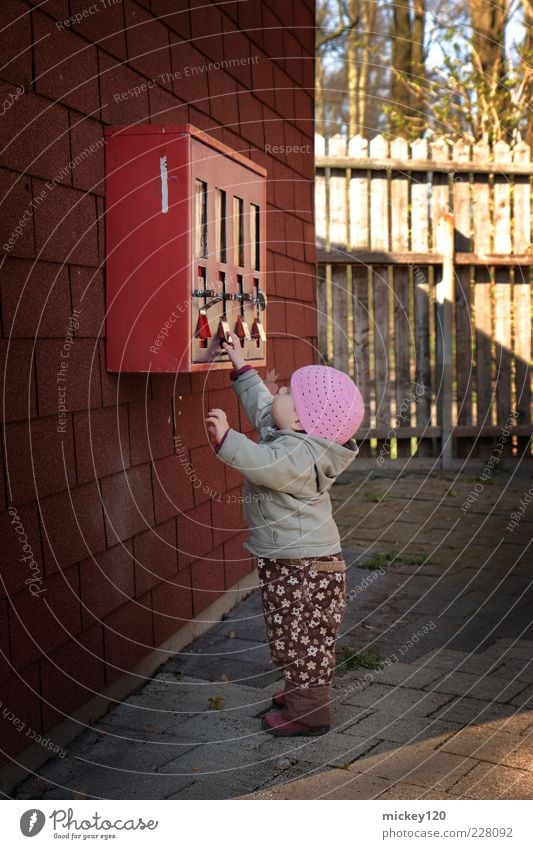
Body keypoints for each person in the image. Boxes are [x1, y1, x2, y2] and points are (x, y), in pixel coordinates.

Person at [206, 339, 364, 737]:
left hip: (305, 567)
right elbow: (264, 407)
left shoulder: (297, 457)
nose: (280, 391)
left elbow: (265, 464)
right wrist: (241, 364)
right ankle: (299, 691)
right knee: (289, 629)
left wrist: (227, 439)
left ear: (298, 423)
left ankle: (310, 712)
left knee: (302, 637)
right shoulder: (292, 434)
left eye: (288, 394)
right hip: (293, 560)